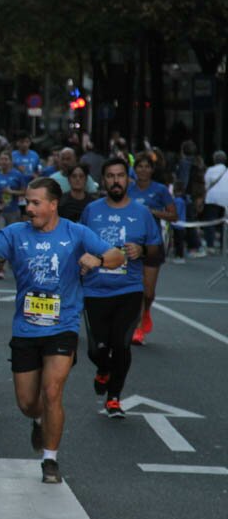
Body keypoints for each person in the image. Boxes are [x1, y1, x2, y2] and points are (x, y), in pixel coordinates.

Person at [0, 177, 123, 483]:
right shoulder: (15, 233)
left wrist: (99, 258)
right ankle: (37, 419)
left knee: (52, 392)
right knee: (27, 403)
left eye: (36, 202)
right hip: (26, 329)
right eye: (27, 201)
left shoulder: (75, 232)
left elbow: (117, 255)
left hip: (62, 325)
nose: (29, 207)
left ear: (53, 205)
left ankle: (50, 459)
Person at [80, 158, 162, 417]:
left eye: (120, 176)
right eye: (110, 176)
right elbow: (79, 244)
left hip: (128, 290)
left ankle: (114, 397)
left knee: (121, 344)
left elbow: (156, 249)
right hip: (94, 290)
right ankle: (103, 370)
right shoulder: (91, 211)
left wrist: (142, 249)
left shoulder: (142, 213)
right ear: (103, 181)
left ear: (128, 180)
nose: (115, 180)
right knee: (97, 350)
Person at [128, 153, 176, 345]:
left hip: (153, 243)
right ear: (135, 169)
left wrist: (153, 212)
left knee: (148, 292)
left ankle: (146, 310)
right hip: (132, 243)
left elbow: (174, 215)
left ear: (152, 170)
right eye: (140, 166)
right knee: (136, 288)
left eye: (147, 167)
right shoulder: (128, 189)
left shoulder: (160, 190)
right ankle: (137, 328)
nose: (143, 170)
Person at [0, 151, 26, 225]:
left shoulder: (17, 175)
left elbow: (25, 192)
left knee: (13, 234)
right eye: (2, 159)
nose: (4, 162)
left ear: (11, 161)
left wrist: (12, 192)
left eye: (6, 159)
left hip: (13, 211)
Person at [201, 150, 227, 252]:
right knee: (224, 221)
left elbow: (206, 184)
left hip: (212, 198)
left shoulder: (210, 170)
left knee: (211, 220)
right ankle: (223, 245)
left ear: (214, 160)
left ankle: (210, 245)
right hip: (226, 199)